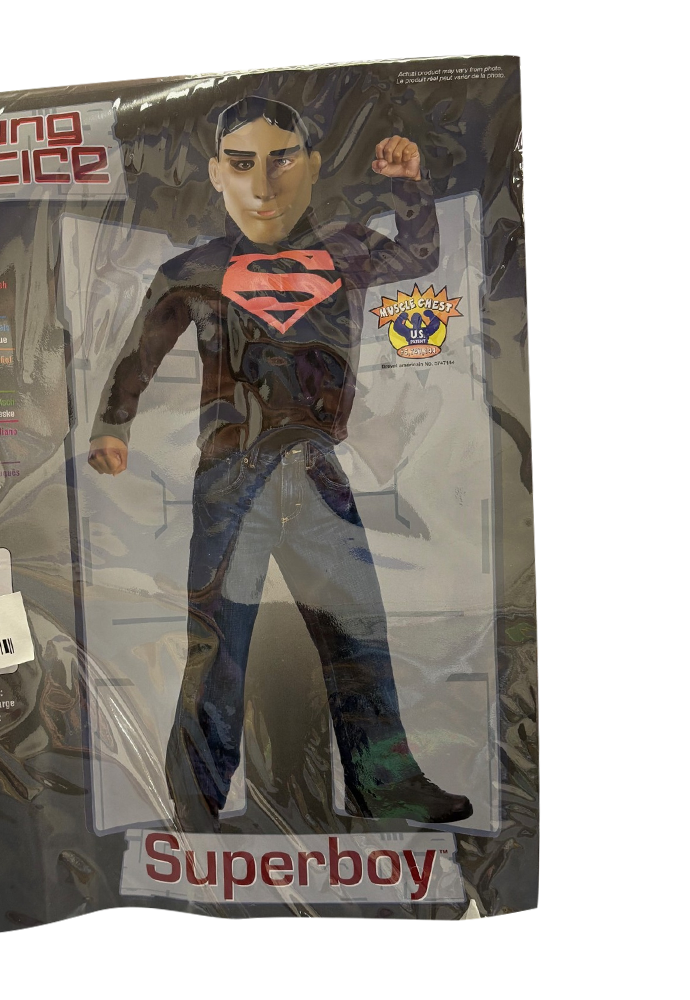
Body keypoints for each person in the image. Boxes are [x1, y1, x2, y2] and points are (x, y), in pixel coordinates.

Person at [88, 96, 471, 831]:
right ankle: (195, 798)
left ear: (313, 166)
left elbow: (420, 257)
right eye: (242, 164)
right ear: (216, 174)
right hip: (232, 477)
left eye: (281, 160)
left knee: (358, 629)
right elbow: (141, 351)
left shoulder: (347, 250)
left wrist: (409, 189)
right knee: (219, 644)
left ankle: (383, 782)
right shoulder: (192, 269)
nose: (262, 184)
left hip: (316, 473)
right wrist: (113, 425)